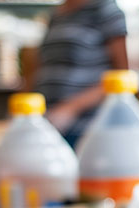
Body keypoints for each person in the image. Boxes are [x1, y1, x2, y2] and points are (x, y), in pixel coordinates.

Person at [27, 0, 128, 146]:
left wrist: (71, 108)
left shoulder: (105, 10)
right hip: (46, 123)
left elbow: (122, 76)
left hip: (83, 128)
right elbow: (41, 67)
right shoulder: (56, 14)